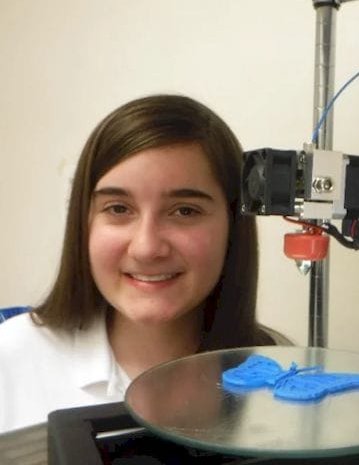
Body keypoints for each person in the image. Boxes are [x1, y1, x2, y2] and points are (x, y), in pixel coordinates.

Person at [0, 94, 285, 434]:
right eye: (118, 209)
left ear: (233, 226)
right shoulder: (11, 360)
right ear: (84, 222)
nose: (147, 248)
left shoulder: (280, 376)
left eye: (185, 211)